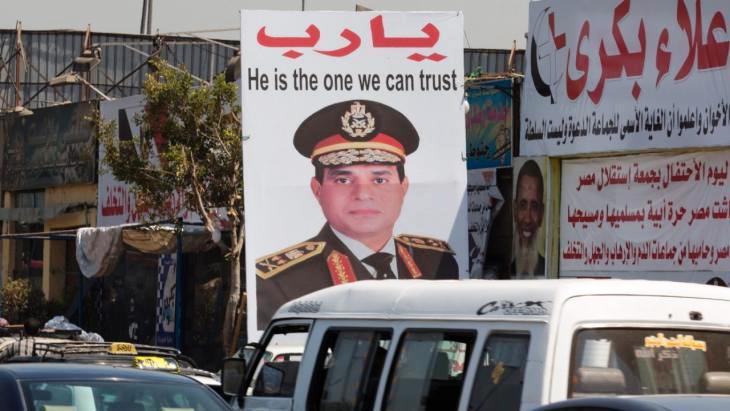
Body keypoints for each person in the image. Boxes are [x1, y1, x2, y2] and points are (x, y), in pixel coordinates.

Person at [256, 100, 459, 325]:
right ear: (318, 190)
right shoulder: (281, 282)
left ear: (404, 187)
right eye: (343, 179)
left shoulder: (436, 262)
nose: (363, 194)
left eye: (379, 179)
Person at [511, 159, 545, 278]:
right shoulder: (505, 273)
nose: (527, 219)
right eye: (523, 205)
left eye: (534, 207)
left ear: (542, 214)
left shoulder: (548, 271)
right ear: (514, 210)